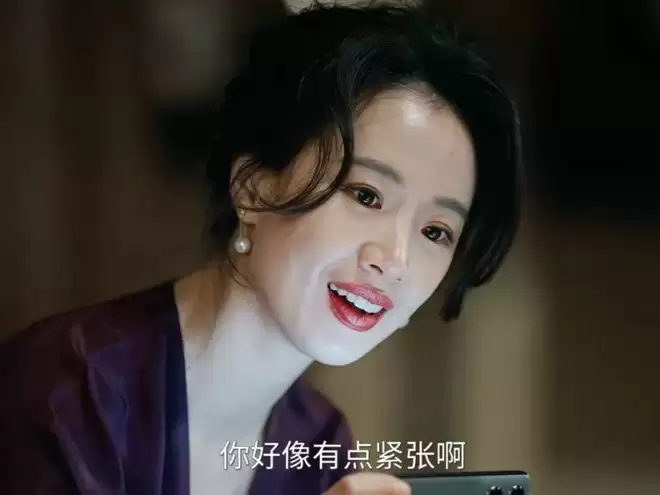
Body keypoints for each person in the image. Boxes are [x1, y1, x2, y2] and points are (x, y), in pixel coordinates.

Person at [0, 2, 522, 494]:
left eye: (436, 232)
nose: (396, 261)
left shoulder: (319, 444)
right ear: (253, 188)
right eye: (366, 195)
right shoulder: (69, 391)